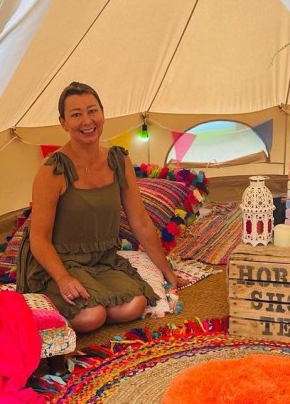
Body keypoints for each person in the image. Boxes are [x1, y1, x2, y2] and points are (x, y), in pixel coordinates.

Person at [16, 82, 179, 333]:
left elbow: (140, 221)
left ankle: (96, 299)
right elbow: (38, 238)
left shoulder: (118, 160)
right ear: (63, 123)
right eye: (76, 114)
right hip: (61, 260)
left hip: (102, 259)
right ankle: (51, 302)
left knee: (134, 305)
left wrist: (167, 271)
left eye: (92, 111)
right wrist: (63, 278)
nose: (87, 121)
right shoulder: (54, 169)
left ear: (103, 113)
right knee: (91, 317)